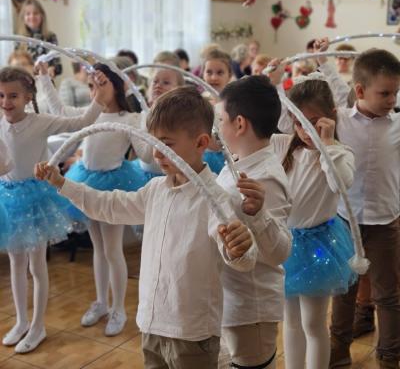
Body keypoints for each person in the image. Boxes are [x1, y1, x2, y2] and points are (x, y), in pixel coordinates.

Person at [35, 86, 257, 368]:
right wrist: (62, 183)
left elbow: (241, 258)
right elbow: (109, 205)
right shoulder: (155, 190)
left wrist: (240, 248)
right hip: (151, 325)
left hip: (192, 332)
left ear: (201, 143)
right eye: (153, 143)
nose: (156, 153)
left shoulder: (215, 199)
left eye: (166, 144)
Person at [0, 65, 104, 354]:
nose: (6, 102)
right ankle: (21, 321)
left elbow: (82, 122)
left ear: (28, 97)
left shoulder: (40, 122)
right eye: (1, 95)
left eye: (13, 96)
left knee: (36, 264)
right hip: (7, 198)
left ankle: (38, 325)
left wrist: (99, 95)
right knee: (16, 263)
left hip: (36, 198)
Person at [315, 39, 400, 369]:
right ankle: (338, 351)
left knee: (388, 294)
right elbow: (334, 87)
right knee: (343, 289)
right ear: (361, 91)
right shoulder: (341, 120)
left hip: (385, 222)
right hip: (344, 221)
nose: (392, 100)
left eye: (396, 93)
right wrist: (323, 61)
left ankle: (390, 355)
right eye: (385, 93)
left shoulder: (397, 124)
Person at [269, 68, 357, 369]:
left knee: (313, 322)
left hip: (320, 247)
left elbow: (340, 184)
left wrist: (327, 144)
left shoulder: (340, 153)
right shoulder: (283, 145)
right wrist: (271, 82)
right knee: (290, 321)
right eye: (298, 122)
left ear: (331, 116)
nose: (304, 130)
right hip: (286, 243)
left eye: (312, 121)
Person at [61, 63, 152, 337]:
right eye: (91, 86)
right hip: (86, 181)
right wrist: (43, 79)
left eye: (101, 84)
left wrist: (147, 122)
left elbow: (145, 155)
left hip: (114, 186)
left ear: (118, 85)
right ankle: (101, 302)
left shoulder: (130, 118)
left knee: (112, 251)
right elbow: (58, 111)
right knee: (98, 249)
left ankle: (118, 308)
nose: (95, 92)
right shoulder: (90, 115)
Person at [217, 75, 292, 368]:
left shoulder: (266, 178)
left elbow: (278, 252)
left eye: (220, 120)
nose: (217, 128)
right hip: (231, 297)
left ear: (239, 124)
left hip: (250, 306)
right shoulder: (237, 162)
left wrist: (260, 215)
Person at [16, 0, 62, 77]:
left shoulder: (50, 37)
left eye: (35, 13)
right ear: (23, 18)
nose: (32, 17)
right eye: (28, 14)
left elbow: (58, 66)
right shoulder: (19, 39)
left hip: (44, 79)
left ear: (42, 16)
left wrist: (53, 68)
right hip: (24, 80)